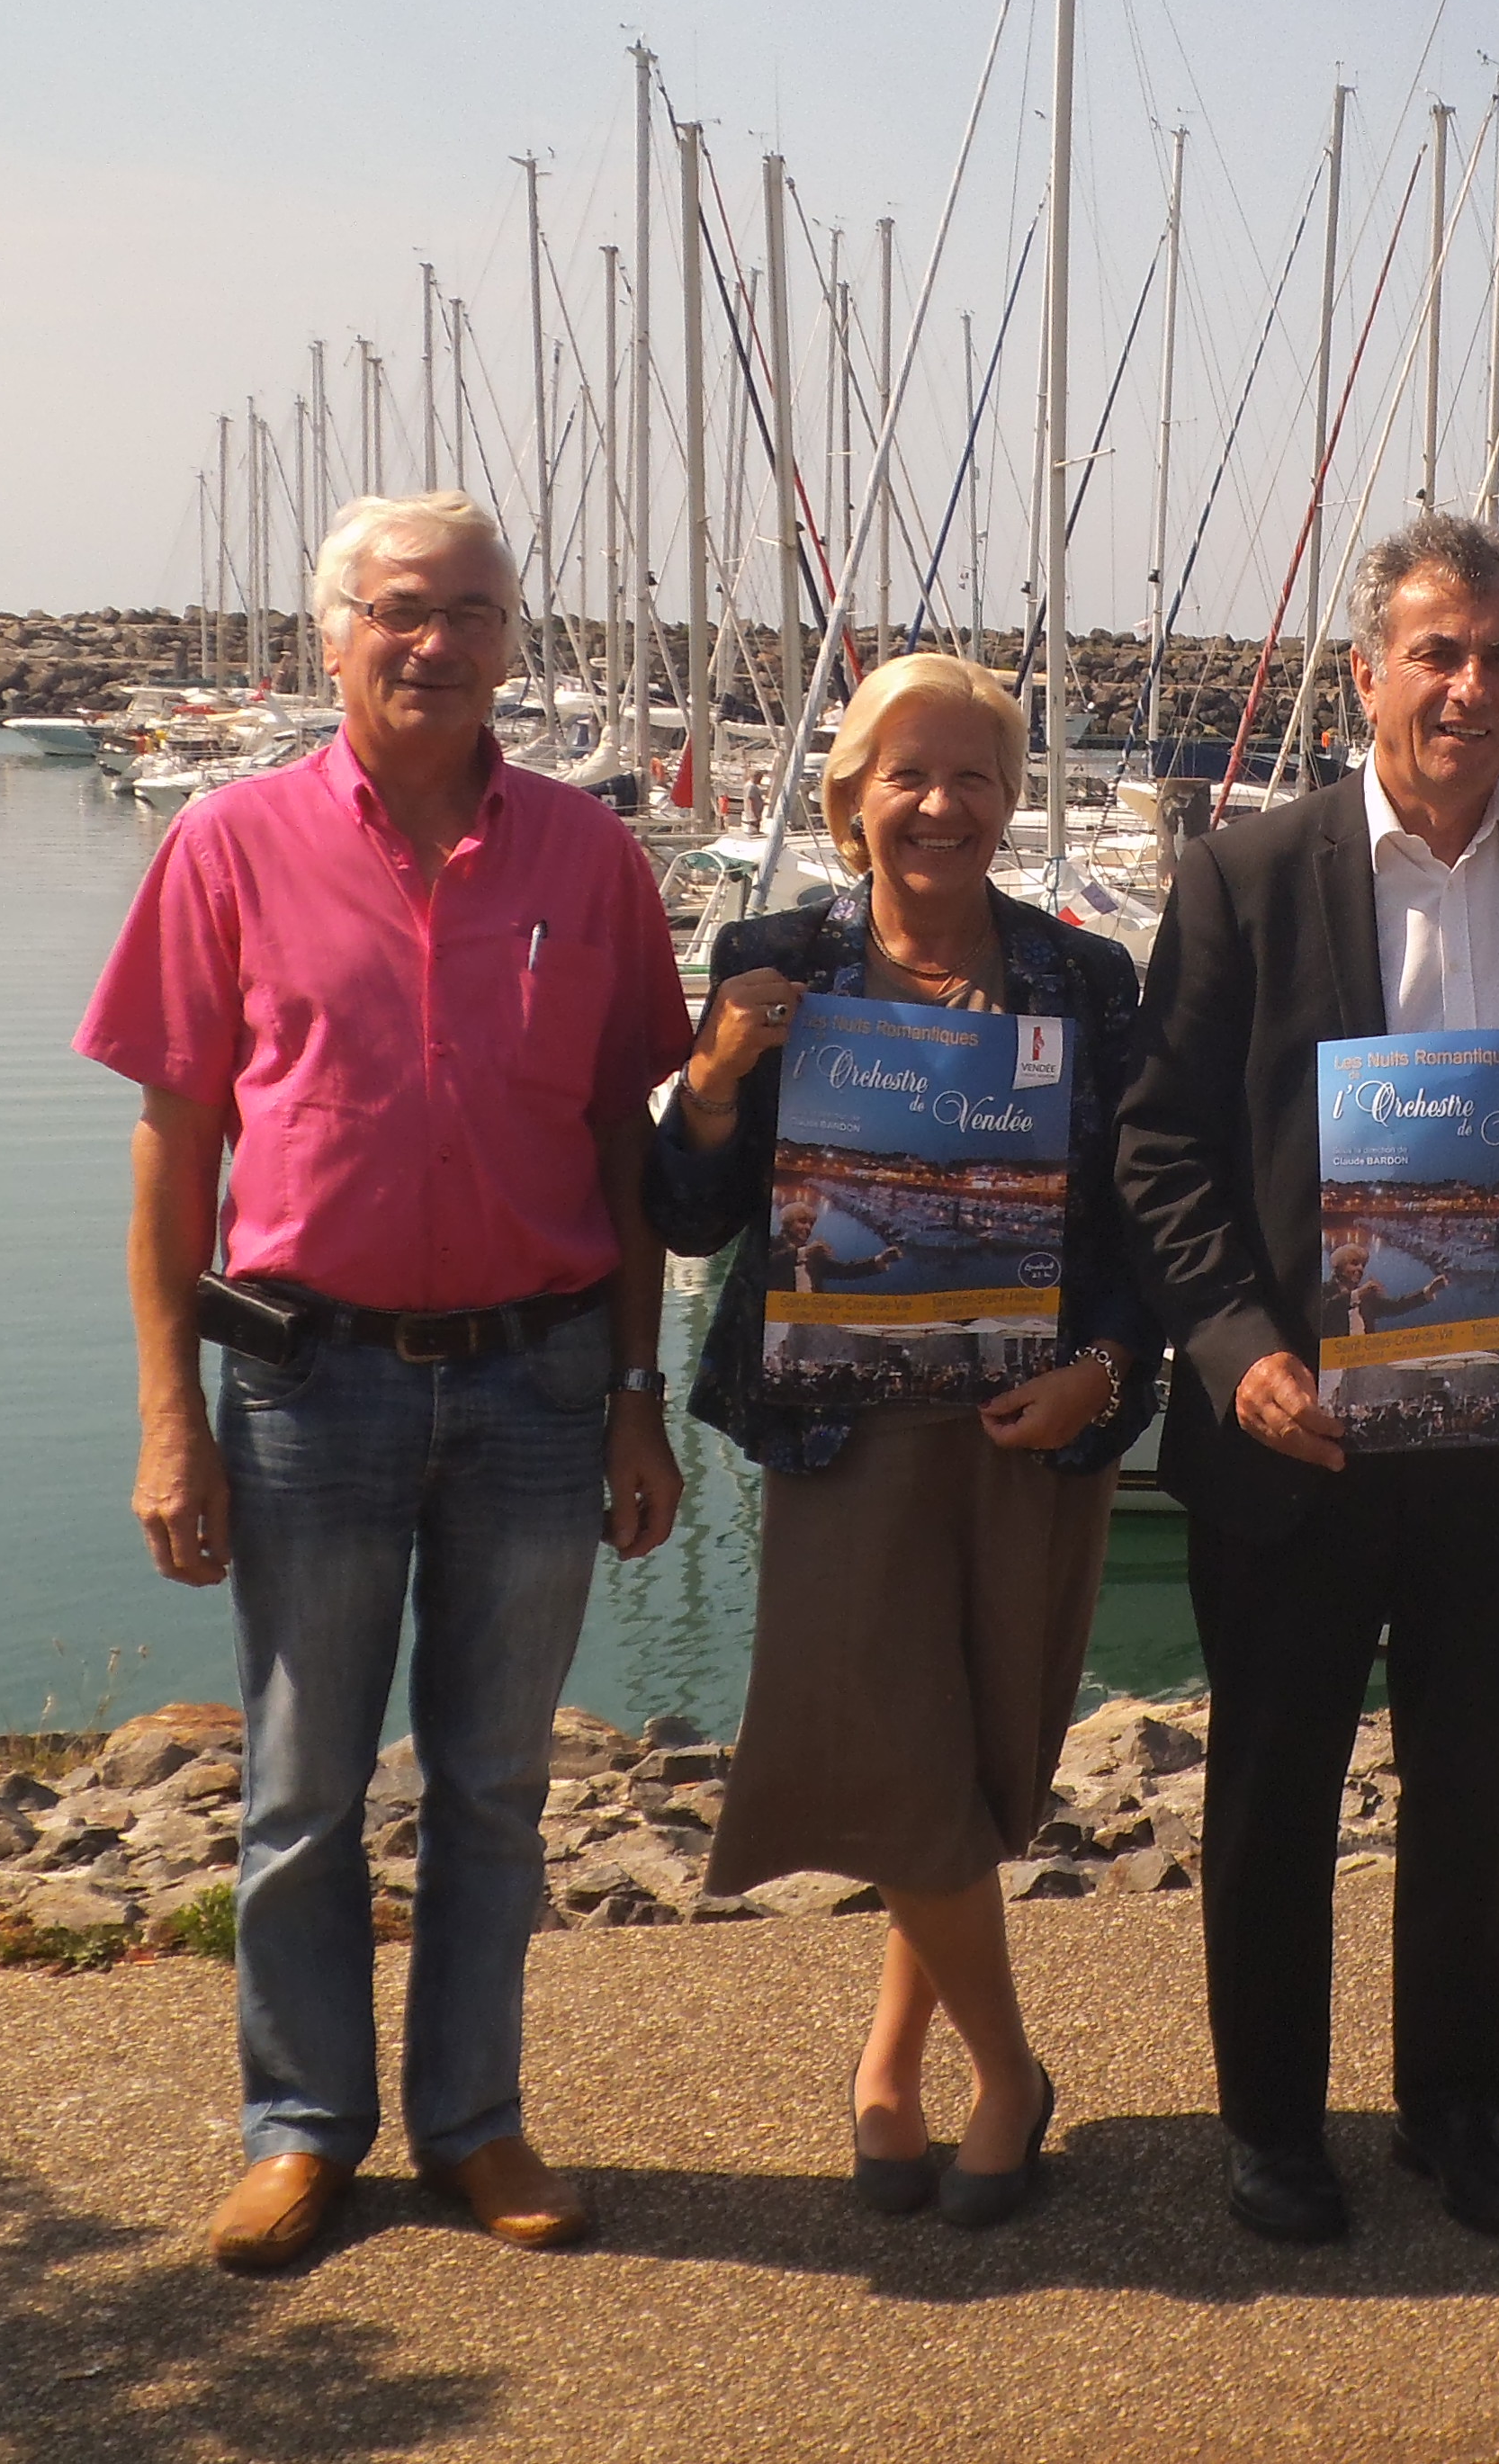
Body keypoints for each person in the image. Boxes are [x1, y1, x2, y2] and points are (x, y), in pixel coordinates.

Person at [79, 490, 692, 2273]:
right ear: (331, 633)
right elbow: (170, 1151)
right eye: (402, 611)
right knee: (299, 1788)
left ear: (515, 638)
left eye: (474, 612)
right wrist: (164, 1418)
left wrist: (638, 1395)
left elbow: (624, 1144)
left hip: (536, 1382)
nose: (437, 644)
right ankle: (300, 2130)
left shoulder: (586, 857)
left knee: (496, 1786)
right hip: (304, 1387)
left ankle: (473, 2125)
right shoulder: (226, 845)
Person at [1116, 512, 1499, 2244]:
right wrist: (1234, 1354)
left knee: (1471, 1783)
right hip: (1297, 1426)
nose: (1470, 686)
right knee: (1274, 1786)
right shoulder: (1249, 877)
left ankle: (1458, 2111)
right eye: (1437, 652)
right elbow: (1158, 1150)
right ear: (1367, 672)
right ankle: (1275, 2128)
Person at [645, 650, 1153, 2232]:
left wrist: (1110, 1373)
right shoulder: (778, 963)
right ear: (849, 797)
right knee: (893, 1751)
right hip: (846, 1432)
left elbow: (1138, 1218)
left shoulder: (1085, 979)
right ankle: (1008, 2071)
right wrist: (717, 1082)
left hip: (1025, 1424)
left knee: (983, 1754)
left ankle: (885, 2067)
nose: (941, 807)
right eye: (906, 777)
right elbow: (684, 1212)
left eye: (975, 777)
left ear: (1013, 798)